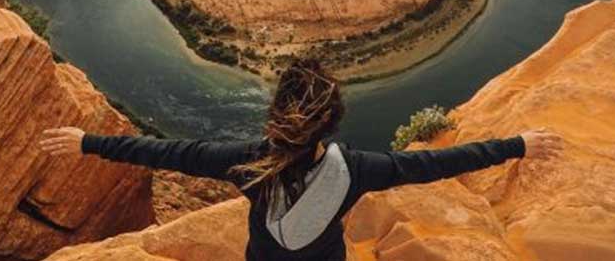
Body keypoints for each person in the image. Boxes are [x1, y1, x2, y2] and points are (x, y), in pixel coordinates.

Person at [39, 58, 563, 261]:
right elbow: (439, 164)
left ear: (275, 117)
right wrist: (517, 144)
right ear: (331, 122)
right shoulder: (358, 169)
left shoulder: (243, 163)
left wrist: (89, 142)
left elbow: (167, 153)